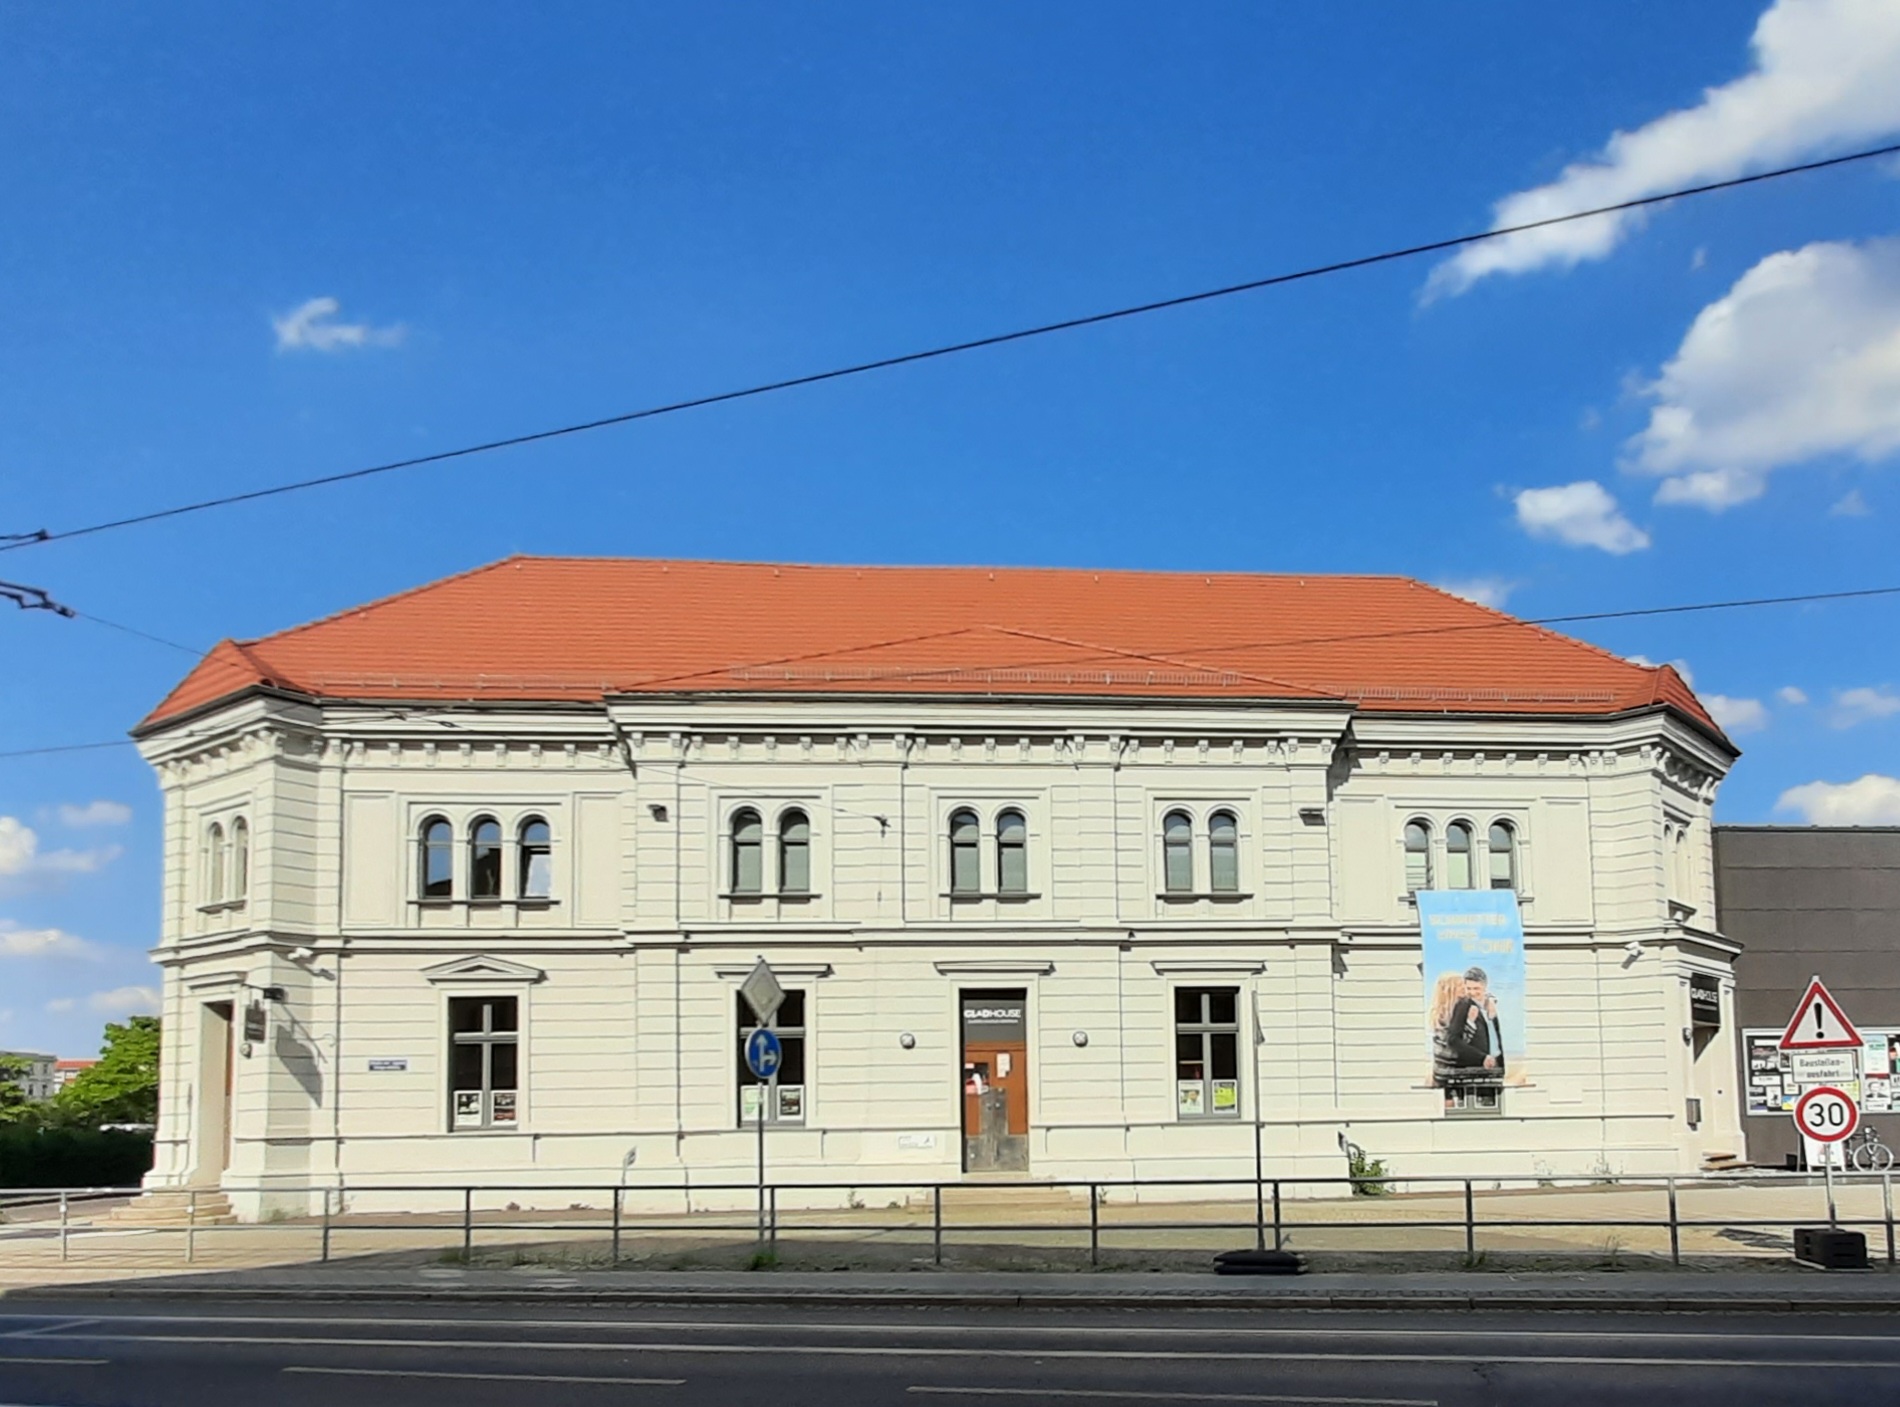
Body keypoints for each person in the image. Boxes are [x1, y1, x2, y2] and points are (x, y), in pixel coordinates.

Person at [1446, 966, 1505, 1082]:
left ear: (1485, 986)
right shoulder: (1464, 1005)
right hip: (1473, 1068)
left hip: (1497, 1065)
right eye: (1469, 988)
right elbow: (1453, 1040)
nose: (1472, 993)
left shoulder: (1493, 1004)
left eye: (1476, 988)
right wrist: (1481, 1058)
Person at [1427, 971, 1465, 1088]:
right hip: (1449, 1068)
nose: (1464, 988)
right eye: (1460, 985)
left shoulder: (1443, 1012)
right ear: (1450, 989)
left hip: (1446, 1068)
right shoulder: (1445, 1014)